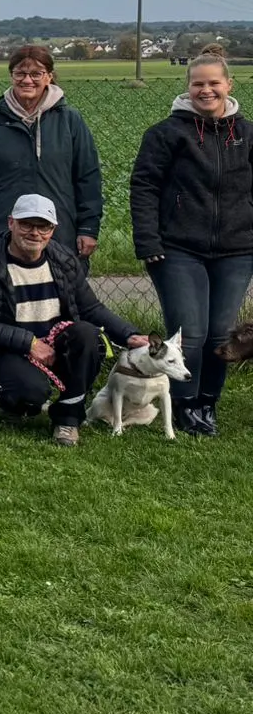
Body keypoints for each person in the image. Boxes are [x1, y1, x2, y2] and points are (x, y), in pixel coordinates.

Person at [0, 194, 146, 447]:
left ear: (53, 230)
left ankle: (68, 419)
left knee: (88, 336)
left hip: (54, 344)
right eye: (27, 225)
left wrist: (128, 334)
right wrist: (29, 343)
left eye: (43, 226)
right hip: (4, 349)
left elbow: (90, 308)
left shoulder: (64, 260)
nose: (35, 233)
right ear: (11, 223)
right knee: (30, 394)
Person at [129, 46, 253, 436]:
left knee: (220, 334)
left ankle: (207, 404)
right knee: (190, 333)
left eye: (214, 83)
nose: (206, 90)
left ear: (228, 85)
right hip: (177, 248)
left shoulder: (247, 134)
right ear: (188, 87)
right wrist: (148, 241)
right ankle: (184, 402)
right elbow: (144, 187)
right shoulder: (167, 134)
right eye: (198, 83)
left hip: (237, 249)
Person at [0, 44, 103, 263]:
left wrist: (88, 227)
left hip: (58, 231)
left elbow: (88, 177)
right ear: (11, 76)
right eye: (20, 73)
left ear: (49, 77)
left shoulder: (70, 120)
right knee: (0, 293)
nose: (27, 80)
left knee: (61, 293)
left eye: (36, 74)